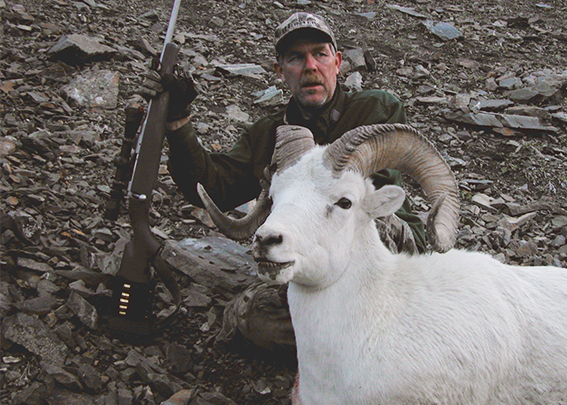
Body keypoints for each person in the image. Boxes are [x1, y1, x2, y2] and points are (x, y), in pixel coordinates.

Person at [140, 12, 426, 349]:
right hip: (310, 260)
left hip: (379, 248)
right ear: (280, 71)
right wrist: (178, 121)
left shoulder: (375, 110)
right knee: (256, 316)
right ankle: (356, 338)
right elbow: (213, 185)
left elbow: (368, 206)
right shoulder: (270, 134)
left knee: (359, 217)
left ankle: (371, 331)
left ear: (337, 63)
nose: (309, 66)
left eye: (320, 53)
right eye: (295, 57)